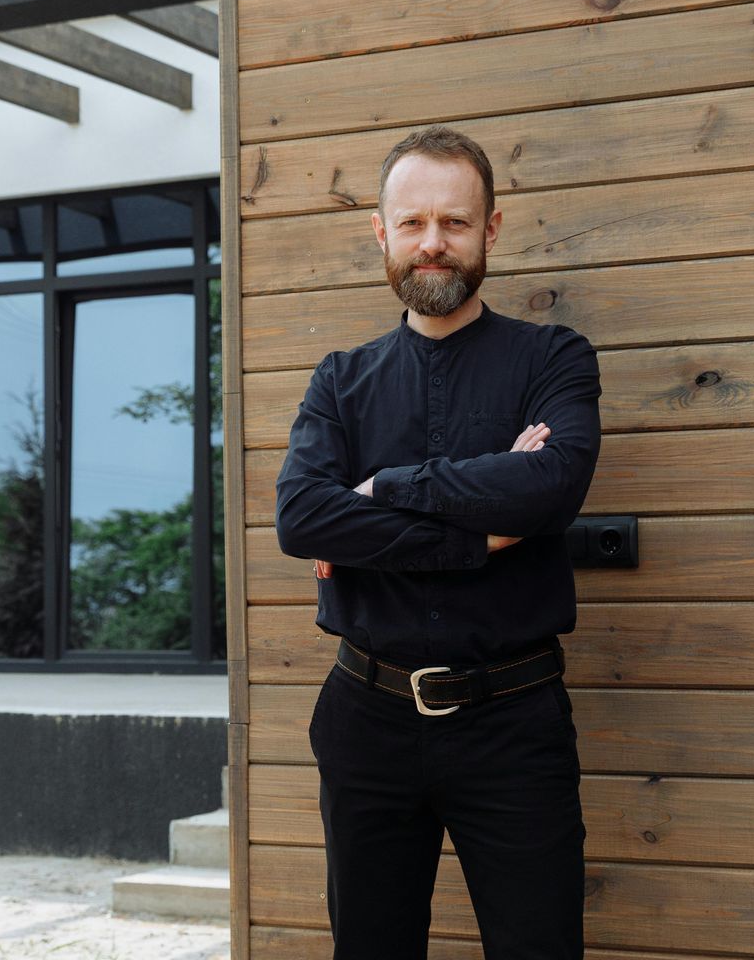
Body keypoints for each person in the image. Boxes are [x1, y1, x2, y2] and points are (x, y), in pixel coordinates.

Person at [274, 124, 602, 959]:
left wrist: (383, 490)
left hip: (513, 720)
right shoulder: (339, 381)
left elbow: (552, 486)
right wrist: (479, 532)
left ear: (490, 231)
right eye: (412, 223)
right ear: (379, 231)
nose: (433, 244)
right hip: (364, 720)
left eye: (454, 224)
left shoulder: (554, 360)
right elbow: (303, 519)